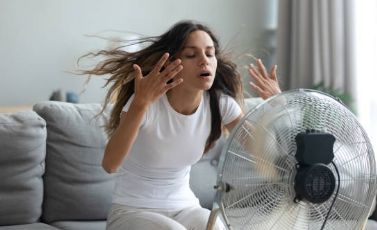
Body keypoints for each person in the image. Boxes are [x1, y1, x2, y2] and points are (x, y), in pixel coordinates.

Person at [80, 20, 281, 230]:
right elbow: (110, 164)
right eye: (191, 55)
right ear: (171, 63)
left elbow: (265, 157)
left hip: (185, 207)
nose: (204, 61)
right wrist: (140, 103)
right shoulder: (145, 102)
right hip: (133, 211)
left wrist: (280, 107)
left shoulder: (220, 105)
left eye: (210, 53)